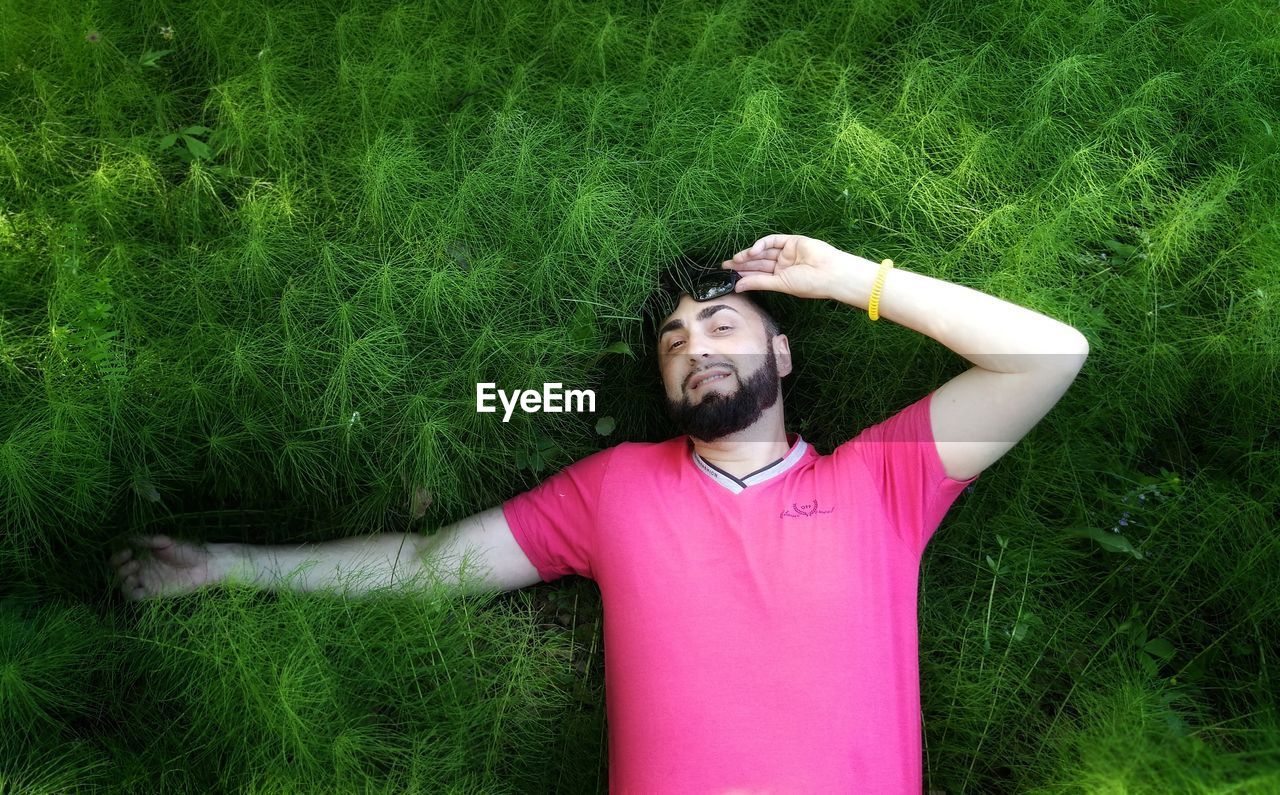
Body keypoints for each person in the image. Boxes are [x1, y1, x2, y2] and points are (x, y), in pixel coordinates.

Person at [109, 233, 1090, 793]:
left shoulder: (880, 482)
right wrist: (231, 564)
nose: (694, 346)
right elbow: (425, 568)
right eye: (672, 340)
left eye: (719, 324)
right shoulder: (616, 487)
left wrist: (849, 281)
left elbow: (1049, 353)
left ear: (782, 356)